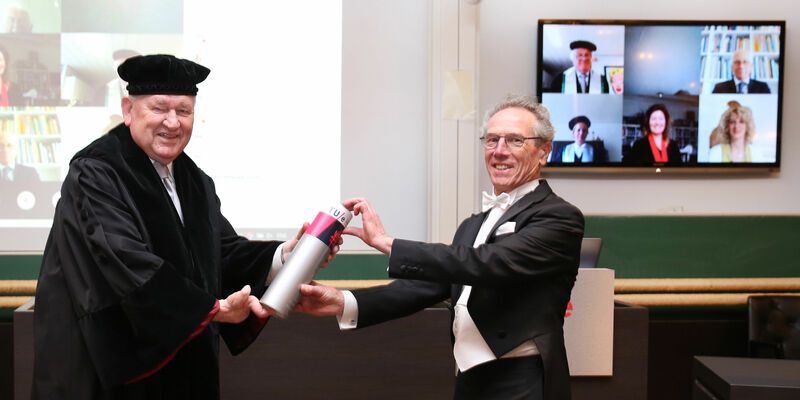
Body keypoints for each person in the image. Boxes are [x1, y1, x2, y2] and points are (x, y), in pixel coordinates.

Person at [33, 54, 339, 399]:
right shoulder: (96, 172)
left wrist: (286, 255)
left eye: (184, 111)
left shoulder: (192, 179)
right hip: (107, 369)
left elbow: (220, 252)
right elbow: (123, 258)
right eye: (159, 108)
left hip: (180, 367)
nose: (173, 122)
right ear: (128, 110)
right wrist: (212, 310)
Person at [295, 94, 584, 400]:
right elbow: (423, 287)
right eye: (492, 140)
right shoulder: (472, 225)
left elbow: (489, 263)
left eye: (515, 140)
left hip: (524, 380)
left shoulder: (560, 217)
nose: (499, 151)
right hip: (469, 379)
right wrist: (342, 302)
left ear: (543, 152)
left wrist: (387, 243)